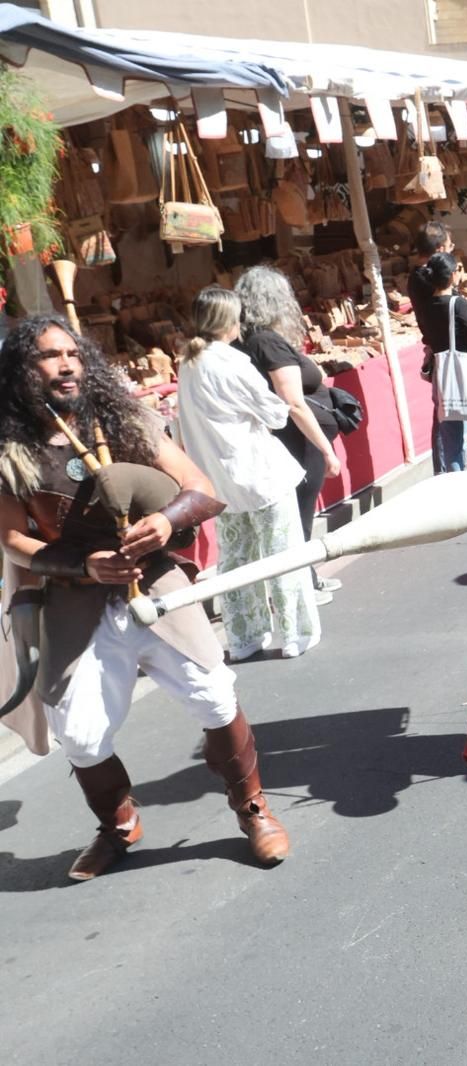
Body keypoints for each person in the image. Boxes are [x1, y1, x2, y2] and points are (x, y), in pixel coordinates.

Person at [0, 313, 291, 880]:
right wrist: (81, 564)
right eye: (48, 356)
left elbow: (200, 489)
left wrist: (164, 520)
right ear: (20, 371)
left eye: (72, 354)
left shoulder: (125, 419)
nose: (65, 365)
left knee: (214, 695)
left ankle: (253, 808)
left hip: (155, 582)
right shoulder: (10, 450)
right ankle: (118, 825)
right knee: (81, 736)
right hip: (76, 599)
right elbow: (12, 538)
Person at [175, 287, 319, 661]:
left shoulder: (188, 363)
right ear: (228, 321)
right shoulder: (230, 362)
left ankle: (245, 637)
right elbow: (275, 412)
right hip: (258, 473)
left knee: (236, 560)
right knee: (282, 554)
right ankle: (295, 633)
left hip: (218, 481)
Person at [236, 265, 342, 604]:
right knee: (299, 513)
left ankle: (306, 576)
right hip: (295, 439)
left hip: (287, 438)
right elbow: (293, 402)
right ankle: (300, 586)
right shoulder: (268, 342)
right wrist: (326, 448)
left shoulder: (251, 340)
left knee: (298, 514)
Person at [414, 252, 467, 472]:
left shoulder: (425, 306)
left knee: (452, 444)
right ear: (452, 275)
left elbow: (428, 338)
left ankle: (457, 486)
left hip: (444, 380)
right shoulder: (457, 304)